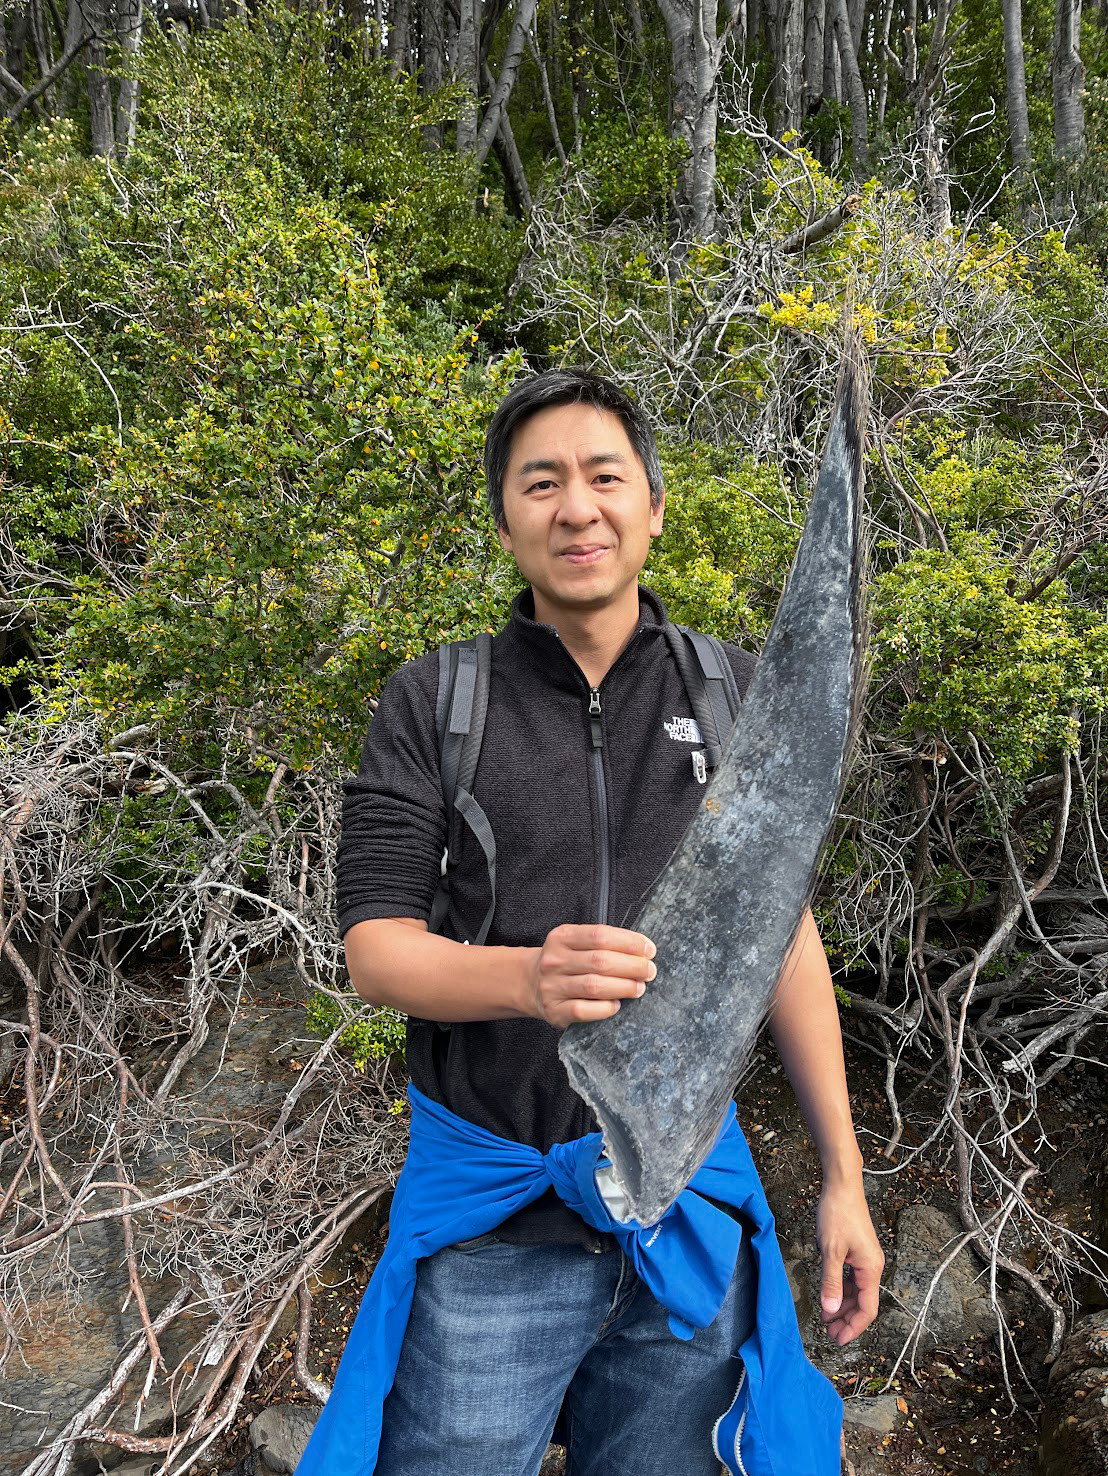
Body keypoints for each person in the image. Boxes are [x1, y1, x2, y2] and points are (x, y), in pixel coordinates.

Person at [296, 369, 884, 1476]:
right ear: (507, 517)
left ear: (653, 507)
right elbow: (375, 951)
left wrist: (843, 1177)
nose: (578, 507)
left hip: (684, 1222)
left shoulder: (734, 696)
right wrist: (525, 979)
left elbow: (782, 940)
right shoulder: (437, 702)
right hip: (493, 1227)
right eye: (542, 482)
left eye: (606, 477)